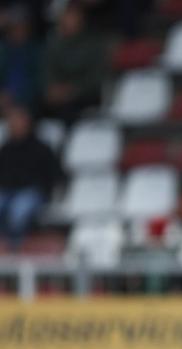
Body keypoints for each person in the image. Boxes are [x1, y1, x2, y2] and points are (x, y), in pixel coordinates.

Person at [0, 105, 64, 251]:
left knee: (18, 212)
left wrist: (43, 190)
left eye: (16, 120)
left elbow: (54, 175)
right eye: (11, 121)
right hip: (7, 191)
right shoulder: (6, 149)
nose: (13, 124)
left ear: (26, 122)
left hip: (32, 192)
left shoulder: (41, 148)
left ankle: (14, 250)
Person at [41, 3, 108, 125]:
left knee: (68, 109)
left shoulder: (94, 43)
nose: (68, 20)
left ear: (81, 19)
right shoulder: (54, 42)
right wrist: (52, 88)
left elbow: (96, 77)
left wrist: (72, 89)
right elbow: (48, 71)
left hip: (85, 94)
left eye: (72, 16)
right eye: (66, 16)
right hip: (59, 95)